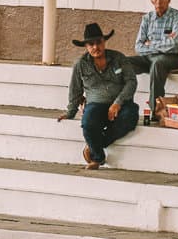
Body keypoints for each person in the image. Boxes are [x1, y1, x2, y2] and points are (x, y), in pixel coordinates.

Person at [58, 24, 139, 170]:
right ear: (86, 47)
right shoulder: (80, 64)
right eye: (91, 44)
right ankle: (98, 157)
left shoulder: (118, 58)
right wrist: (70, 112)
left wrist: (117, 103)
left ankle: (94, 145)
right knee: (88, 123)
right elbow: (75, 89)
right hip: (96, 104)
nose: (96, 47)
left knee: (130, 117)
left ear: (104, 42)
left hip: (121, 104)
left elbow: (131, 82)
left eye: (99, 42)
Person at [128, 0, 178, 113]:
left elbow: (175, 42)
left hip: (171, 58)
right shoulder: (147, 18)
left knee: (157, 63)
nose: (158, 2)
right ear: (151, 0)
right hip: (148, 58)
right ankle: (123, 104)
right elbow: (138, 46)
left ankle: (155, 110)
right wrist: (163, 44)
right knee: (123, 62)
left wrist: (150, 44)